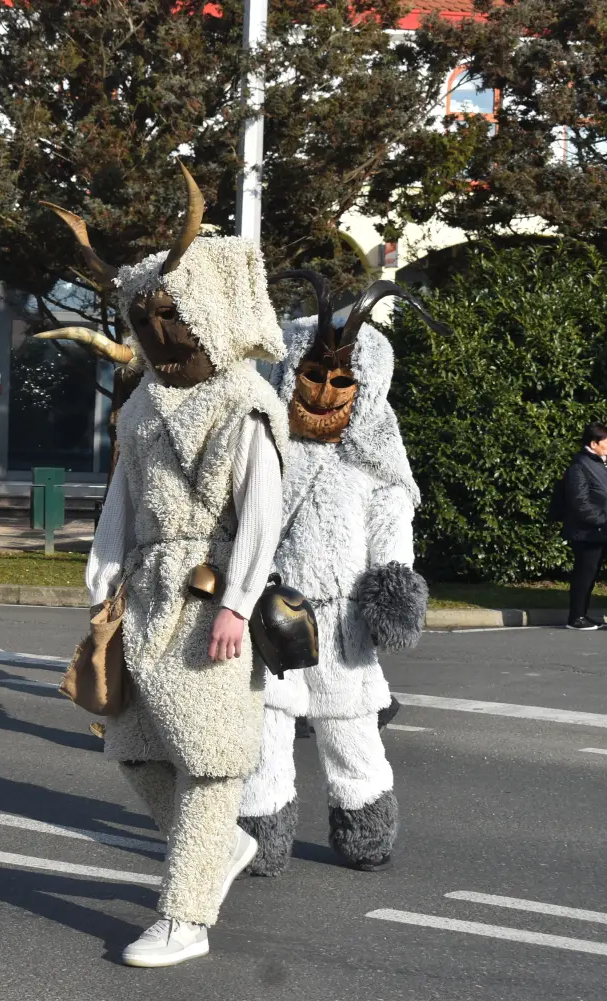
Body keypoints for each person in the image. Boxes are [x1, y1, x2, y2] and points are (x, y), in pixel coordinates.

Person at [84, 164, 287, 968]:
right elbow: (120, 496)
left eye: (169, 310)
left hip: (209, 593)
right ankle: (219, 847)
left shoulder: (246, 399)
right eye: (145, 314)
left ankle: (185, 916)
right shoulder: (141, 403)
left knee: (210, 760)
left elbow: (262, 511)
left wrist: (238, 602)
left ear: (204, 310)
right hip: (145, 590)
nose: (157, 326)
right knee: (132, 744)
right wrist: (104, 573)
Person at [236, 275, 437, 877]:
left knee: (349, 730)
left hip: (343, 618)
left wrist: (393, 592)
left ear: (367, 386)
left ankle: (364, 825)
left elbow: (390, 533)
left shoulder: (379, 462)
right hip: (272, 611)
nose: (325, 393)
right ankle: (258, 834)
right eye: (313, 376)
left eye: (343, 380)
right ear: (290, 373)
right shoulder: (266, 446)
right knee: (266, 731)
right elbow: (239, 520)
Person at [557, 423, 607, 630]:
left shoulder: (599, 463)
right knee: (584, 575)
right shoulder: (580, 466)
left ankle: (582, 616)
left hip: (600, 531)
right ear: (594, 443)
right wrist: (603, 520)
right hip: (587, 533)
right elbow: (580, 503)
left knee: (591, 575)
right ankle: (576, 617)